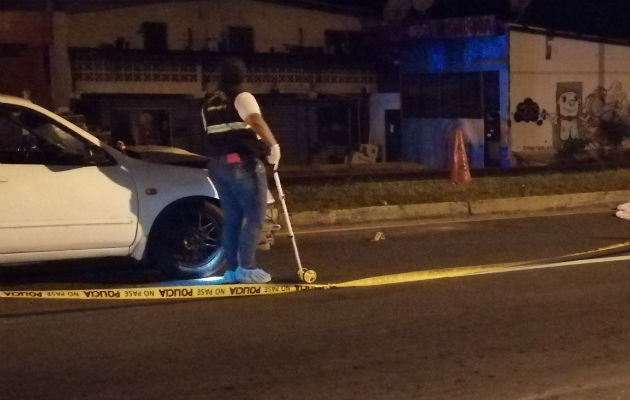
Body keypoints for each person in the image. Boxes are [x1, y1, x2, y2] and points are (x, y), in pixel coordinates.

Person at [201, 57, 281, 284]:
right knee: (254, 216)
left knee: (233, 218)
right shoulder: (242, 96)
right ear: (242, 76)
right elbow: (255, 121)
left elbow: (210, 132)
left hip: (218, 163)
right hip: (242, 162)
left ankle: (233, 270)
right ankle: (248, 268)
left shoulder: (208, 102)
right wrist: (273, 145)